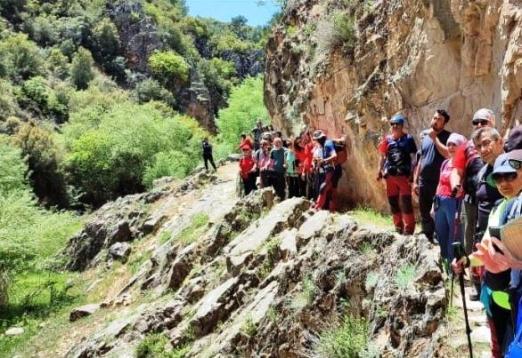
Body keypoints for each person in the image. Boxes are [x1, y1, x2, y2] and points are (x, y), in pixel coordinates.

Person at [453, 150, 522, 357]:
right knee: (499, 348)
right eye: (498, 177)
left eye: (510, 175)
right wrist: (466, 261)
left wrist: (516, 264)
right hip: (498, 295)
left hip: (515, 297)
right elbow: (485, 251)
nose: (503, 182)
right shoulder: (499, 208)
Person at [413, 109, 452, 242]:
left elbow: (448, 154)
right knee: (424, 209)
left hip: (439, 181)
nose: (435, 121)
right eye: (434, 118)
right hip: (424, 180)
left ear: (444, 123)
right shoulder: (425, 136)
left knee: (437, 211)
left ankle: (438, 236)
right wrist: (415, 181)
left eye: (439, 120)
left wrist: (434, 138)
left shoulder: (448, 137)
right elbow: (421, 159)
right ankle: (427, 234)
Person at [377, 114, 418, 234]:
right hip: (390, 176)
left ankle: (409, 228)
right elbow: (382, 156)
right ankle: (398, 226)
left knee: (406, 202)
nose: (394, 126)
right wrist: (379, 170)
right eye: (392, 124)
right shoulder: (387, 140)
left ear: (402, 126)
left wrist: (412, 172)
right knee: (393, 202)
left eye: (397, 124)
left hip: (403, 176)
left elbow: (414, 156)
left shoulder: (408, 139)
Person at [433, 133, 467, 269]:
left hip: (454, 203)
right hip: (440, 202)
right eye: (449, 144)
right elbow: (439, 183)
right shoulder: (445, 163)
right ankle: (445, 263)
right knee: (441, 233)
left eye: (455, 144)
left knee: (454, 236)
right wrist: (433, 204)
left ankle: (454, 267)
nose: (451, 147)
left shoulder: (463, 165)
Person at [312, 130, 338, 211]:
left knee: (323, 188)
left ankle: (318, 206)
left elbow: (334, 156)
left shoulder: (327, 144)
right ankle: (330, 210)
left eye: (318, 139)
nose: (317, 141)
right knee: (329, 190)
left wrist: (324, 160)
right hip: (329, 170)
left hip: (333, 170)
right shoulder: (323, 145)